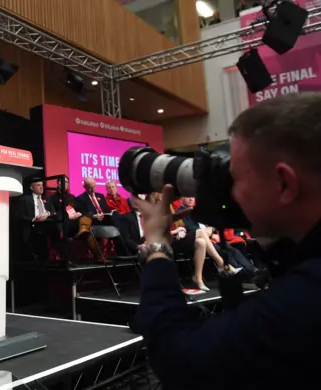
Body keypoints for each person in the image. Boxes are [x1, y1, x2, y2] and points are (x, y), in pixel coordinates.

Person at [132, 93, 321, 389]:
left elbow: (178, 359)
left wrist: (157, 246)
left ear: (284, 183)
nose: (230, 194)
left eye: (235, 178)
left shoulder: (305, 298)